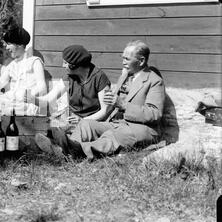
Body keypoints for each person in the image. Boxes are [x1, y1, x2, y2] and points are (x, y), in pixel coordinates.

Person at [35, 40, 165, 161]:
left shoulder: (154, 81)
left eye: (127, 59)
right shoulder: (126, 75)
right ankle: (65, 150)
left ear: (141, 61)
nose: (123, 62)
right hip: (118, 123)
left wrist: (124, 104)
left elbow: (155, 114)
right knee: (86, 124)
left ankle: (78, 150)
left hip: (141, 129)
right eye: (123, 58)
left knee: (113, 136)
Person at [27, 45, 111, 129]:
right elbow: (49, 99)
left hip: (93, 122)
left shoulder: (99, 77)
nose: (63, 66)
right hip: (72, 120)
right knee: (51, 126)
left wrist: (82, 120)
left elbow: (104, 110)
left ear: (74, 65)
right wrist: (32, 99)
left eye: (65, 63)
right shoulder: (69, 77)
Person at [0, 26, 47, 116]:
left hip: (27, 103)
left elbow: (42, 88)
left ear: (19, 45)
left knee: (9, 108)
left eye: (9, 44)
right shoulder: (12, 65)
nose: (6, 48)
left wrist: (27, 95)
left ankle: (1, 114)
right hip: (11, 100)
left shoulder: (35, 61)